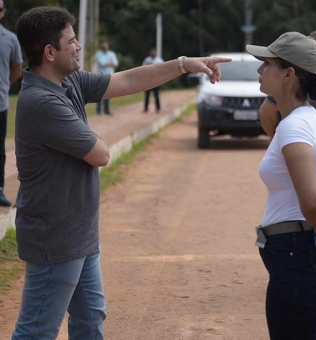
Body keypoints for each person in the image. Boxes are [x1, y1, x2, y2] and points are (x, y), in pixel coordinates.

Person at [11, 7, 229, 339]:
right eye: (72, 41)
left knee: (89, 320)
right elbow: (101, 154)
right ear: (50, 52)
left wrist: (184, 64)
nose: (80, 46)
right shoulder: (40, 100)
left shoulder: (70, 82)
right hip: (54, 239)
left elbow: (127, 79)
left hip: (79, 233)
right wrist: (89, 136)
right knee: (37, 329)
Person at [247, 31, 316, 339]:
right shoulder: (308, 120)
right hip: (300, 259)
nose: (260, 70)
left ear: (289, 74)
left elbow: (309, 201)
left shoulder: (294, 127)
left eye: (267, 64)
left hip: (300, 259)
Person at [0, 0, 22, 207]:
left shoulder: (10, 39)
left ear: (3, 13)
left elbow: (17, 66)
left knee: (0, 148)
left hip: (0, 102)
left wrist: (5, 84)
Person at [95, 40, 118, 115]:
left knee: (108, 93)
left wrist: (109, 64)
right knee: (99, 94)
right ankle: (98, 111)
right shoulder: (98, 54)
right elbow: (103, 64)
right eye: (103, 45)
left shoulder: (112, 54)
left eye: (106, 45)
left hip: (110, 76)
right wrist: (110, 63)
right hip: (101, 77)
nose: (104, 46)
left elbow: (116, 64)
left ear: (108, 45)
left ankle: (107, 110)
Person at [142, 48, 164, 113]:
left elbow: (163, 70)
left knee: (156, 95)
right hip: (148, 80)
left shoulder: (159, 60)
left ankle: (158, 108)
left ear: (156, 54)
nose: (153, 54)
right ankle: (146, 108)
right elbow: (142, 68)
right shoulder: (147, 60)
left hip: (156, 80)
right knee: (147, 96)